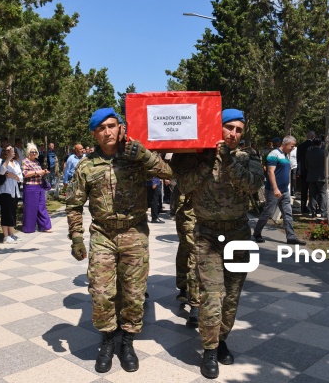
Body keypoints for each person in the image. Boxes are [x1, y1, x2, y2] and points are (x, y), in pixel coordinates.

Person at [66, 107, 173, 374]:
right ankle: (107, 340)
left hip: (134, 232)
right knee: (102, 292)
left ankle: (127, 341)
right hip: (102, 234)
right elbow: (73, 204)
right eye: (101, 128)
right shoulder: (87, 165)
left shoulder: (136, 157)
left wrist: (145, 155)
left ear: (120, 128)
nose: (107, 132)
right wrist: (76, 237)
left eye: (111, 126)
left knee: (134, 293)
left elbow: (169, 174)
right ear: (94, 134)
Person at [172, 109, 263, 379]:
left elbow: (253, 184)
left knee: (232, 295)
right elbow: (184, 185)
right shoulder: (199, 158)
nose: (234, 134)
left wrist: (228, 162)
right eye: (229, 128)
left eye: (238, 130)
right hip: (207, 234)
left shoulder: (249, 158)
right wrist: (208, 161)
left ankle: (222, 339)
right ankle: (209, 349)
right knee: (212, 295)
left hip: (238, 234)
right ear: (217, 128)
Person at [253, 135, 306, 245]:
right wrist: (275, 188)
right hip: (274, 190)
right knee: (268, 212)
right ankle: (257, 233)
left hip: (284, 191)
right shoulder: (274, 154)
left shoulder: (285, 156)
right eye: (292, 146)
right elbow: (270, 172)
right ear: (285, 144)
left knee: (288, 213)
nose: (293, 148)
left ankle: (291, 236)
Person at [174, 192, 199, 326]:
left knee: (188, 251)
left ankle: (183, 286)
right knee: (192, 253)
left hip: (210, 210)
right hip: (189, 211)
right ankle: (195, 304)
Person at [21, 143, 52, 233]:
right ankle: (29, 228)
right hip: (30, 187)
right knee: (31, 208)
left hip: (39, 186)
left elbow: (39, 172)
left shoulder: (37, 162)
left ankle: (45, 226)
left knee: (41, 206)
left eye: (35, 151)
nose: (34, 153)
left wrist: (43, 172)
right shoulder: (25, 161)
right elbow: (25, 174)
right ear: (28, 152)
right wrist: (37, 172)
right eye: (32, 151)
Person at [0, 145, 23, 244]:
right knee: (6, 213)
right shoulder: (1, 161)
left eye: (12, 150)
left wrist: (13, 176)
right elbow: (1, 171)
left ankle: (11, 234)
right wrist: (8, 159)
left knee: (12, 212)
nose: (10, 151)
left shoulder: (16, 163)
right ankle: (6, 236)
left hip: (15, 191)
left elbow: (20, 177)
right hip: (5, 190)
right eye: (8, 150)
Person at [305, 138, 326, 218]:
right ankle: (323, 211)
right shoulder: (323, 153)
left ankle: (313, 211)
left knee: (312, 194)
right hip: (321, 176)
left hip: (311, 175)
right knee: (322, 194)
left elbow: (306, 164)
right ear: (320, 144)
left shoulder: (308, 153)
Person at [296, 131, 315, 214]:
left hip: (303, 171)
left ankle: (303, 208)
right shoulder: (314, 146)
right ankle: (312, 207)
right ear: (313, 137)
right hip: (312, 171)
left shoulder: (300, 146)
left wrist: (298, 171)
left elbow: (298, 160)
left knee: (304, 190)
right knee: (312, 190)